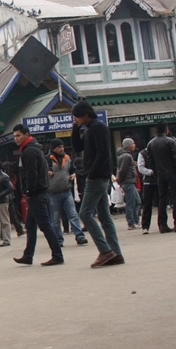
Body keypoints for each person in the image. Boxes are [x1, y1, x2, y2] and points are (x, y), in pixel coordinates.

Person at [71, 102, 123, 267]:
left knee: (85, 213)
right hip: (96, 176)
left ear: (86, 115)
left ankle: (105, 250)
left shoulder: (98, 127)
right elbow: (78, 146)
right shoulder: (89, 129)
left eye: (77, 116)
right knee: (104, 216)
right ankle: (116, 253)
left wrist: (92, 175)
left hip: (97, 177)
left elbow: (103, 153)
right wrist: (75, 128)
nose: (75, 119)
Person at [11, 125, 64, 266]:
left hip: (36, 193)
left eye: (18, 135)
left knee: (45, 225)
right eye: (14, 136)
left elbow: (31, 174)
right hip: (39, 192)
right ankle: (28, 255)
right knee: (30, 224)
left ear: (26, 134)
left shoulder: (29, 151)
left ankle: (57, 255)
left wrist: (29, 191)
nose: (16, 138)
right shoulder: (34, 149)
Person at [47, 141, 88, 246]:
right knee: (55, 218)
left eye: (62, 146)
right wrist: (46, 173)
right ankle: (58, 240)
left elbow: (73, 169)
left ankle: (80, 236)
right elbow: (41, 171)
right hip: (52, 192)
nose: (61, 149)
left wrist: (73, 174)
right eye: (59, 147)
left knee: (73, 214)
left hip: (66, 190)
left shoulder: (67, 158)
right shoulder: (47, 159)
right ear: (53, 148)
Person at [146, 121, 176, 233]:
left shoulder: (151, 144)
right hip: (172, 173)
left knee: (162, 199)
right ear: (166, 130)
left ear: (156, 130)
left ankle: (162, 224)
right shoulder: (170, 142)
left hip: (160, 174)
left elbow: (150, 160)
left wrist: (156, 171)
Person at [115, 138, 141, 230]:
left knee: (137, 202)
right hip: (128, 181)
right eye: (133, 144)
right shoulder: (126, 156)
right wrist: (121, 180)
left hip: (129, 181)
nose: (134, 145)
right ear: (128, 146)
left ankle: (135, 221)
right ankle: (132, 222)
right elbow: (122, 170)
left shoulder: (124, 155)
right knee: (131, 203)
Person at [137, 146, 157, 235]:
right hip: (148, 181)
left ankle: (162, 224)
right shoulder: (142, 153)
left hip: (159, 180)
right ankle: (145, 226)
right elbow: (140, 167)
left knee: (162, 203)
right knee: (147, 204)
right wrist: (151, 172)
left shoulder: (157, 151)